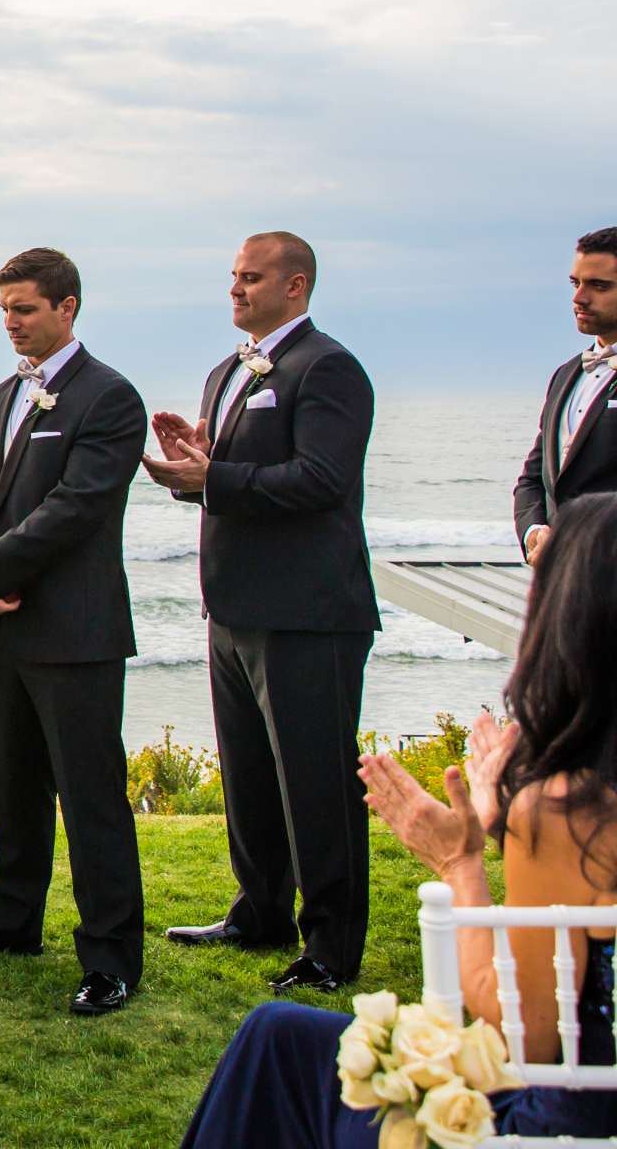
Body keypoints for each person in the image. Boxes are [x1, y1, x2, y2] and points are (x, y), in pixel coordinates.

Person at [179, 491, 617, 1146]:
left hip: (564, 1123)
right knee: (278, 1036)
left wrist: (460, 861)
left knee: (274, 1042)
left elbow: (518, 1034)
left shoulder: (572, 811)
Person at [145, 233, 379, 991]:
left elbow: (321, 478)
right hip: (234, 606)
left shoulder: (329, 367)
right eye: (233, 278)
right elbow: (230, 480)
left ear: (297, 286)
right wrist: (192, 466)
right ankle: (260, 911)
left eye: (252, 278)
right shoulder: (227, 371)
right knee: (249, 776)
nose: (237, 290)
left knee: (317, 782)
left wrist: (219, 473)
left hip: (310, 611)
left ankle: (332, 948)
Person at [0, 247, 147, 1017]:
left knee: (92, 800)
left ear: (67, 308)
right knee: (15, 789)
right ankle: (13, 923)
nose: (13, 324)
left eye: (25, 309)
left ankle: (112, 959)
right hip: (0, 629)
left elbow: (77, 509)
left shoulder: (111, 398)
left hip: (75, 630)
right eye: (5, 312)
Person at [514, 225, 617, 564]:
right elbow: (533, 478)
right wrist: (535, 531)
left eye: (599, 286)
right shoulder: (565, 375)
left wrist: (576, 542)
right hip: (563, 590)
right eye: (576, 283)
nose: (579, 298)